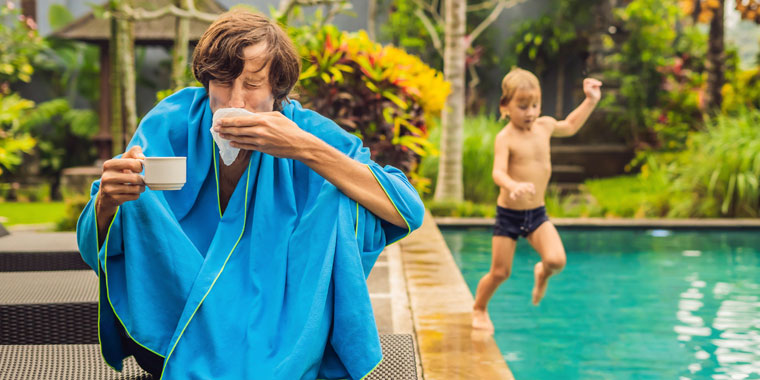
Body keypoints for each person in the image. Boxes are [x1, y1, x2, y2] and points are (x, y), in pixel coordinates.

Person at [76, 10, 424, 380]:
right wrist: (107, 202)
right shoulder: (174, 120)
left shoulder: (302, 129)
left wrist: (304, 149)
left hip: (278, 324)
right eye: (223, 82)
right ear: (206, 80)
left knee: (342, 197)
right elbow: (90, 245)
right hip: (180, 319)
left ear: (277, 90)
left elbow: (407, 208)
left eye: (253, 84)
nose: (235, 101)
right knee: (133, 201)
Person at [471, 68, 602, 333]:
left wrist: (591, 100)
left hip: (536, 213)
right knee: (500, 272)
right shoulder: (505, 138)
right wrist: (512, 185)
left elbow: (571, 125)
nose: (530, 112)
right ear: (505, 106)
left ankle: (541, 272)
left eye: (535, 105)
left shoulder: (544, 126)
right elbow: (498, 172)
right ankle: (479, 308)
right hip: (509, 214)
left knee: (557, 260)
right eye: (522, 106)